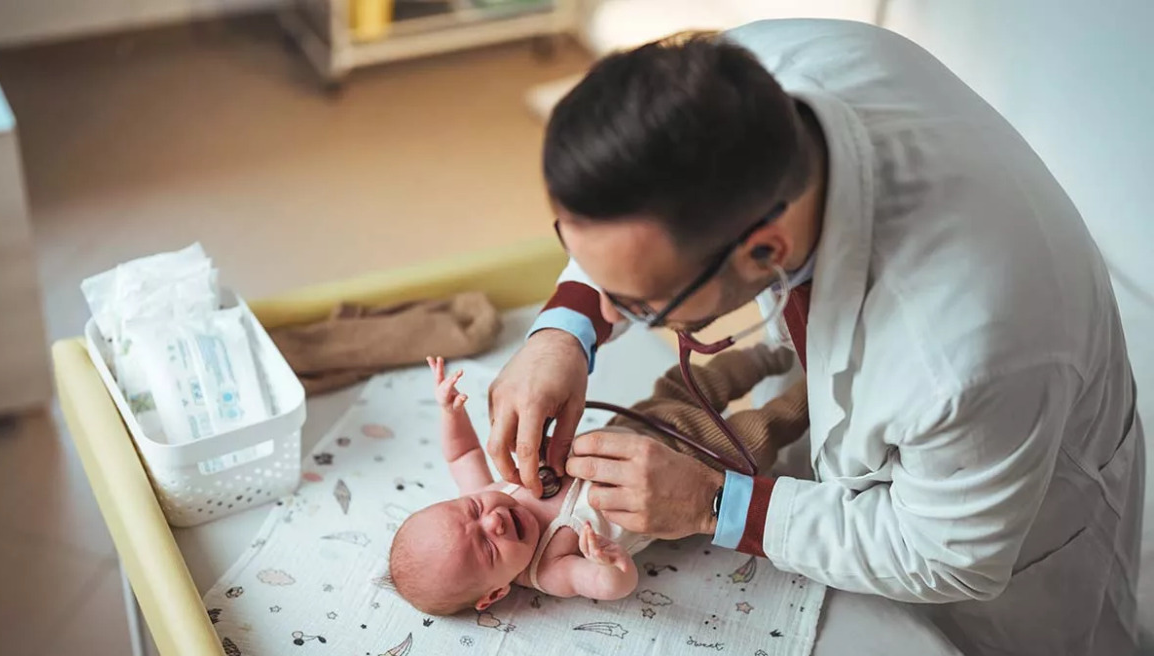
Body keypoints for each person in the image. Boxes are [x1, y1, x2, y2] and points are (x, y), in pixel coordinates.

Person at [485, 21, 1143, 656]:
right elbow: (626, 227)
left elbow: (949, 558)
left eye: (640, 305)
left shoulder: (964, 353)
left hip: (1009, 546)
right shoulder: (736, 81)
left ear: (764, 249)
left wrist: (714, 502)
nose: (613, 310)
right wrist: (564, 330)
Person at [388, 348, 804, 614]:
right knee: (761, 430)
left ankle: (769, 355)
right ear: (494, 593)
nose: (491, 520)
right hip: (693, 472)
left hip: (638, 423)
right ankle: (813, 394)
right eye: (486, 547)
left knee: (693, 381)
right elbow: (608, 586)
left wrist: (449, 411)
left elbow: (461, 454)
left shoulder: (486, 494)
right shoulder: (548, 568)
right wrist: (612, 565)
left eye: (473, 511)